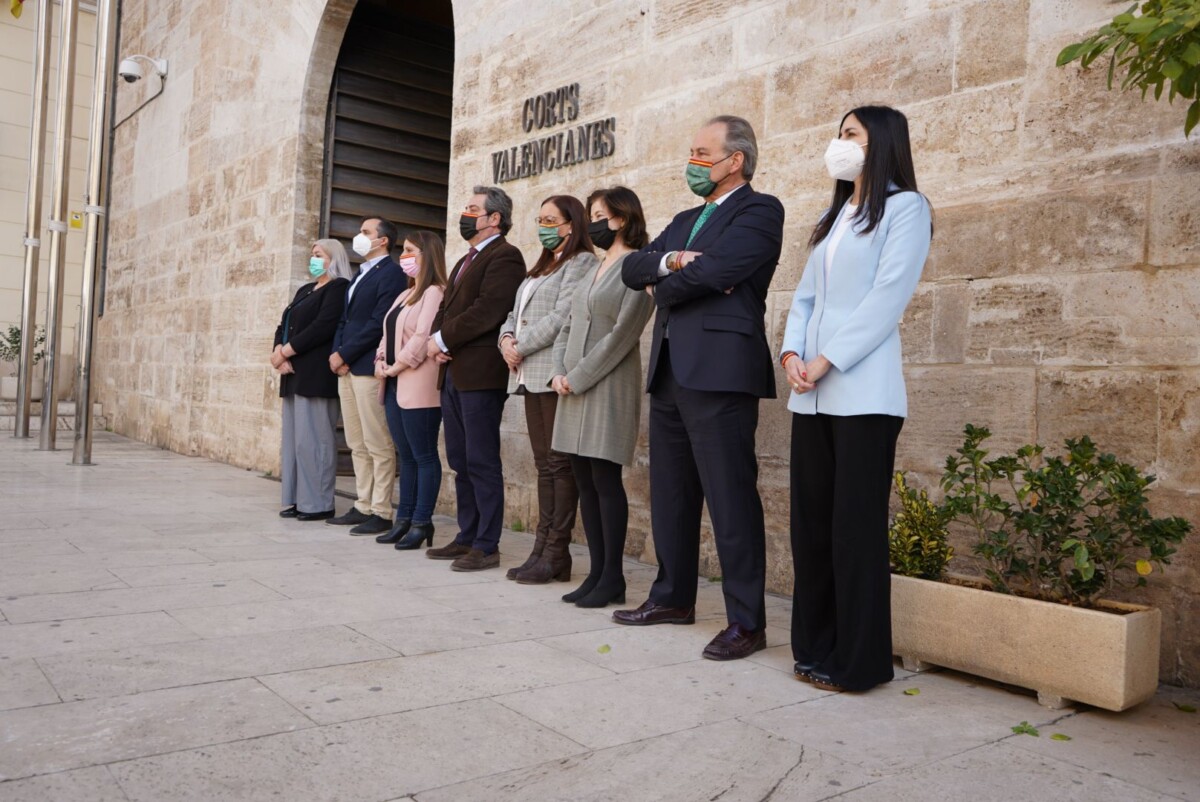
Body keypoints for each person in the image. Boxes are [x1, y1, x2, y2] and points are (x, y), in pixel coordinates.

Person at [617, 115, 783, 662]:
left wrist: (665, 285)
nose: (693, 163)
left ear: (735, 160)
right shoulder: (686, 217)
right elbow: (632, 267)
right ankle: (672, 597)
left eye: (701, 153)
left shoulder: (760, 210)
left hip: (720, 370)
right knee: (670, 494)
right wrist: (671, 261)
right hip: (669, 371)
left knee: (730, 496)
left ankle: (746, 622)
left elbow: (722, 271)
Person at [780, 105, 932, 693]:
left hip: (863, 395)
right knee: (811, 528)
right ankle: (814, 648)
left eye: (851, 135)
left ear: (882, 142)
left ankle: (859, 663)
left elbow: (887, 297)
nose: (839, 144)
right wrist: (793, 355)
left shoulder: (906, 208)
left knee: (854, 530)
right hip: (810, 395)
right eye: (838, 134)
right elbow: (805, 298)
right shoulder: (835, 214)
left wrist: (825, 359)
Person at [550, 187, 654, 607]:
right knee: (584, 481)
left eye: (600, 215)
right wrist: (558, 372)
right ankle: (596, 572)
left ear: (623, 219)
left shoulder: (637, 267)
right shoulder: (593, 266)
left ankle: (613, 577)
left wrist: (578, 376)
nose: (593, 223)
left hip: (607, 383)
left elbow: (624, 333)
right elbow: (570, 324)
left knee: (605, 479)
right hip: (571, 385)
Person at [424, 187, 525, 572]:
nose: (465, 215)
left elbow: (489, 310)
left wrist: (443, 338)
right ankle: (467, 535)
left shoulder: (506, 256)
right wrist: (437, 341)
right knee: (460, 459)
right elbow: (446, 307)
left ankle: (487, 544)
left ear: (494, 218)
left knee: (482, 459)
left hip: (480, 374)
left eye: (472, 209)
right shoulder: (466, 258)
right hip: (452, 370)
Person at [498, 195, 595, 585]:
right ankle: (541, 549)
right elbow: (513, 313)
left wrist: (520, 346)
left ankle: (556, 550)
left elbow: (563, 315)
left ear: (571, 224)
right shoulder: (540, 266)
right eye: (539, 219)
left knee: (558, 464)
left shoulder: (581, 262)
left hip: (549, 371)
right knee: (544, 465)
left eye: (551, 219)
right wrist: (506, 338)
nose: (543, 225)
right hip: (525, 373)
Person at [327, 218, 406, 536]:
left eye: (365, 232)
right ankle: (362, 504)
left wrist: (345, 354)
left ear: (383, 240)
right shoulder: (359, 275)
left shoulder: (393, 274)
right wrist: (336, 354)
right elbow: (344, 320)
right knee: (356, 441)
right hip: (346, 367)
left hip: (367, 367)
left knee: (377, 441)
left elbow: (378, 323)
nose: (358, 237)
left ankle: (382, 510)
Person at [373, 231, 448, 550]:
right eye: (403, 250)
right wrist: (379, 361)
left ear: (427, 256)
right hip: (391, 382)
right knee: (406, 456)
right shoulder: (404, 295)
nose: (404, 256)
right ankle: (402, 519)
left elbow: (422, 337)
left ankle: (421, 522)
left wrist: (397, 365)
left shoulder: (434, 292)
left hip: (418, 383)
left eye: (410, 251)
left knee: (424, 454)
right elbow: (385, 333)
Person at [271, 240, 353, 521]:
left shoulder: (338, 287)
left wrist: (287, 350)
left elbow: (323, 326)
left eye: (318, 255)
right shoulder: (305, 290)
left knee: (315, 441)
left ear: (333, 258)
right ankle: (298, 500)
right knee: (295, 442)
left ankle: (318, 503)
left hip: (316, 375)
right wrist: (277, 353)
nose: (313, 259)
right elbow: (285, 324)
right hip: (293, 374)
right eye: (311, 255)